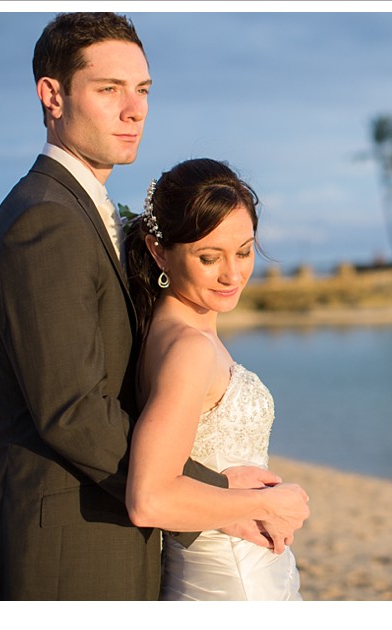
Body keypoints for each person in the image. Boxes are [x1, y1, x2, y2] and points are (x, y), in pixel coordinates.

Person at [0, 12, 307, 601]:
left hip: (109, 539)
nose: (135, 109)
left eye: (142, 90)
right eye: (109, 89)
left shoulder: (83, 212)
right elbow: (72, 410)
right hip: (65, 551)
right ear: (52, 95)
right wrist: (219, 496)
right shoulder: (44, 219)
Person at [123, 157, 309, 601]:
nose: (233, 274)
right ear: (158, 251)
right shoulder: (187, 348)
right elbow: (149, 498)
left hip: (239, 568)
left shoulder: (182, 330)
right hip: (229, 582)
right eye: (209, 257)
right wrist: (266, 503)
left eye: (244, 251)